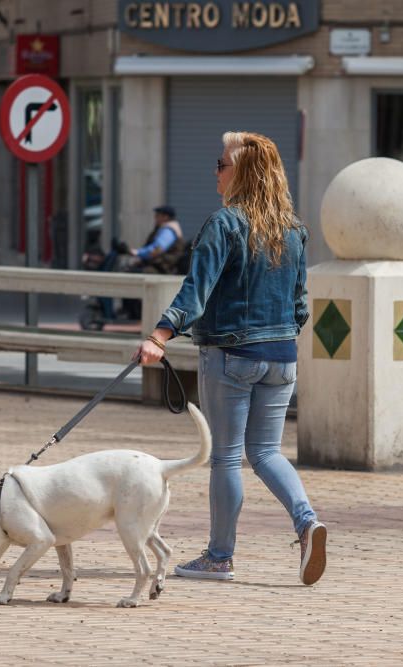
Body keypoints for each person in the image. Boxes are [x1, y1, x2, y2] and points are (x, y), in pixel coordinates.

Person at [133, 131, 327, 586]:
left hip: (233, 354)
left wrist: (159, 336)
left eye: (221, 164)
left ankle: (220, 558)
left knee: (225, 457)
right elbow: (300, 304)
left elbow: (195, 292)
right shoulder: (294, 230)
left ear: (242, 173)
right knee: (266, 452)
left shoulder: (225, 224)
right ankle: (306, 522)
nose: (215, 171)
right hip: (282, 357)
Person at [129, 205, 186, 274]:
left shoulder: (169, 231)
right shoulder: (165, 228)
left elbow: (156, 250)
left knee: (132, 273)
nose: (155, 218)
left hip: (161, 268)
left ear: (166, 217)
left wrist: (137, 252)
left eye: (157, 215)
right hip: (158, 266)